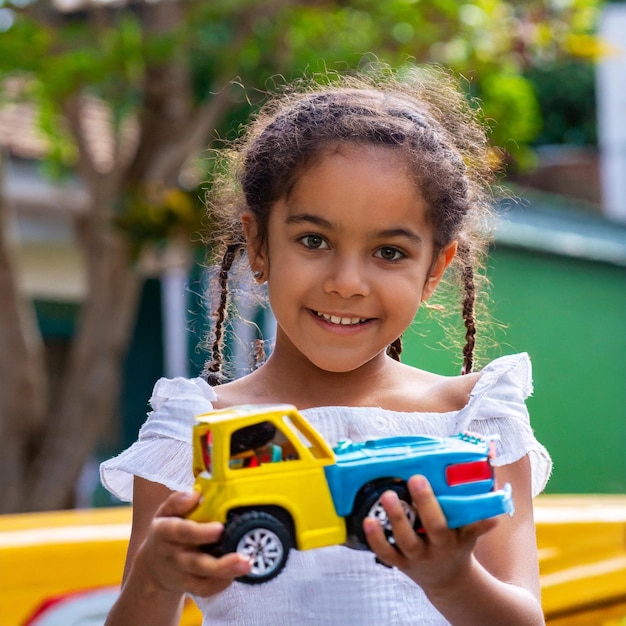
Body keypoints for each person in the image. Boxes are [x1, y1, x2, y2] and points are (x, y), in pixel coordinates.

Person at [101, 64, 551, 626]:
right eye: (314, 240)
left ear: (435, 269)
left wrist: (453, 580)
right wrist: (154, 580)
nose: (347, 282)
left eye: (389, 252)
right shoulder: (197, 432)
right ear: (259, 246)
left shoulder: (475, 421)